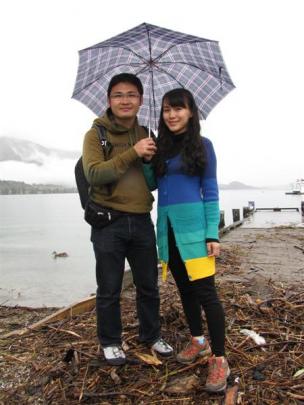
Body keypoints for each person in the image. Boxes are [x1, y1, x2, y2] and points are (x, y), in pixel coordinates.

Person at [82, 73, 173, 366]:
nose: (125, 100)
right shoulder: (96, 134)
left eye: (132, 95)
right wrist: (132, 153)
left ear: (141, 100)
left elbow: (155, 182)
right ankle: (110, 341)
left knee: (148, 284)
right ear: (109, 100)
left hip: (142, 220)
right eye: (119, 95)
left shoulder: (147, 133)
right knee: (109, 287)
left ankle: (151, 335)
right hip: (108, 221)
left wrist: (149, 161)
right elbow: (94, 174)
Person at [143, 88, 230, 393]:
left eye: (178, 109)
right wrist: (146, 158)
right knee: (185, 290)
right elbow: (152, 184)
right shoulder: (161, 147)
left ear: (191, 112)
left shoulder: (203, 146)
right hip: (167, 228)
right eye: (167, 109)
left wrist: (212, 233)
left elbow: (211, 192)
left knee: (207, 293)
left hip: (194, 231)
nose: (172, 115)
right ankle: (198, 341)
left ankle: (219, 358)